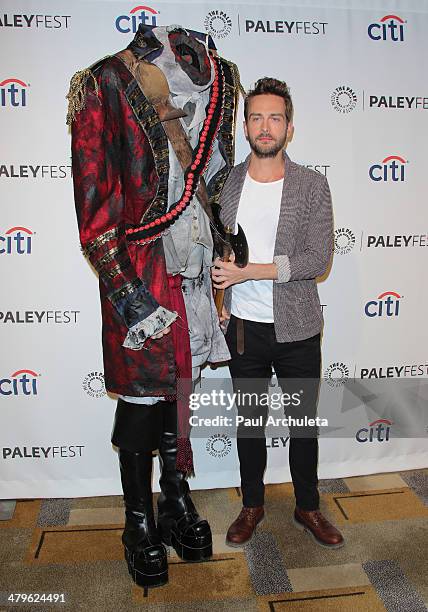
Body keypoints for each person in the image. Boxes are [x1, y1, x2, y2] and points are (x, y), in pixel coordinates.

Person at [68, 24, 240, 588]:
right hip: (142, 270)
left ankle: (175, 501)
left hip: (193, 269)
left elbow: (214, 180)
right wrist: (127, 294)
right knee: (143, 400)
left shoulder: (221, 78)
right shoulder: (107, 82)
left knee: (178, 391)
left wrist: (223, 267)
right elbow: (95, 211)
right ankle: (137, 521)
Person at [212, 77, 344, 549]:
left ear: (289, 127)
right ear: (245, 126)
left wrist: (251, 272)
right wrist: (221, 305)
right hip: (243, 329)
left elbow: (316, 259)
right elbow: (215, 251)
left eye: (275, 118)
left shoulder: (311, 185)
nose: (265, 127)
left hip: (298, 328)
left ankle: (308, 506)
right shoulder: (225, 184)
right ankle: (252, 505)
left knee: (302, 425)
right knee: (249, 424)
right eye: (256, 117)